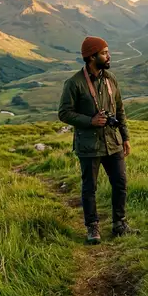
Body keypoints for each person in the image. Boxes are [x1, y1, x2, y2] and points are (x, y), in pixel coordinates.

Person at [58, 36, 139, 244]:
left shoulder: (111, 79)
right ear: (92, 57)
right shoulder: (74, 83)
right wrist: (90, 120)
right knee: (89, 188)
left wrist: (126, 137)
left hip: (113, 143)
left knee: (120, 183)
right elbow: (64, 113)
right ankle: (92, 227)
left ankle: (119, 224)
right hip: (89, 145)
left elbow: (119, 109)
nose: (108, 56)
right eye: (104, 53)